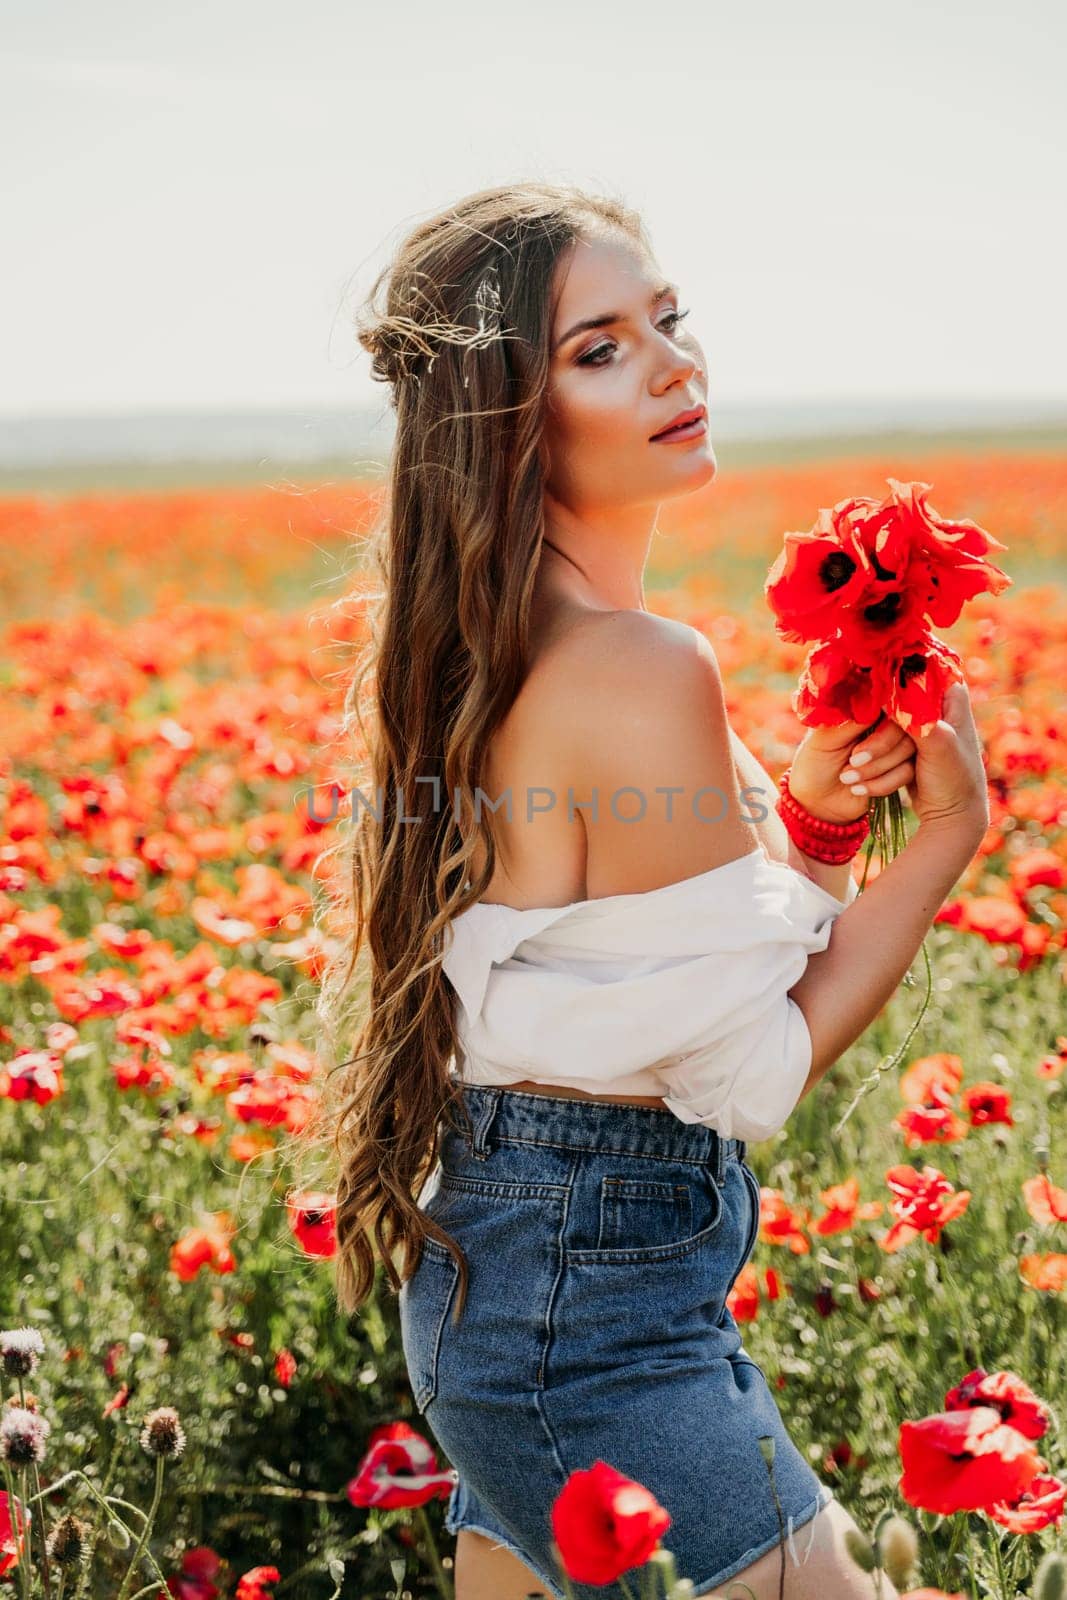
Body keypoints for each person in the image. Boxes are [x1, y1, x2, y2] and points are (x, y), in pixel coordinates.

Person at [316, 182, 990, 1599]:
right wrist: (938, 847)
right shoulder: (635, 666)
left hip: (520, 1299)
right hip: (596, 1326)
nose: (677, 364)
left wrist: (805, 819)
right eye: (600, 346)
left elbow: (657, 988)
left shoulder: (505, 647)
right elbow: (742, 1072)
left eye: (669, 320)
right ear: (506, 411)